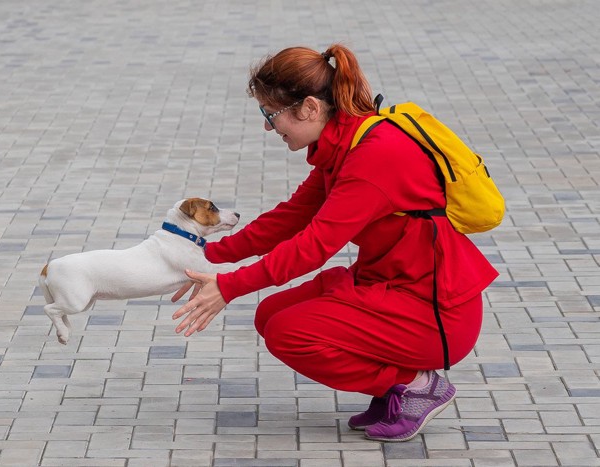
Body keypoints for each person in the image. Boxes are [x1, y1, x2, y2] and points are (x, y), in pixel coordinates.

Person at [171, 44, 498, 442]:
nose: (268, 127)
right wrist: (204, 254)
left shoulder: (375, 155)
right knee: (271, 314)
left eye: (270, 115)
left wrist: (229, 286)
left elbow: (315, 245)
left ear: (309, 108)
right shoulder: (346, 143)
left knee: (290, 332)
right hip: (390, 286)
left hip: (433, 311)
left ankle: (416, 384)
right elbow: (292, 216)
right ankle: (394, 389)